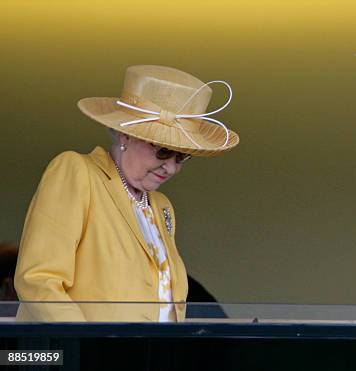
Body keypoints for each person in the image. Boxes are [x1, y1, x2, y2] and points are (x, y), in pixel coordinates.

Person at [15, 65, 239, 322]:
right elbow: (39, 280)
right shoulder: (78, 172)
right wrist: (86, 346)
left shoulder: (161, 206)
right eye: (163, 151)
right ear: (125, 135)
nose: (172, 167)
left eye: (182, 157)